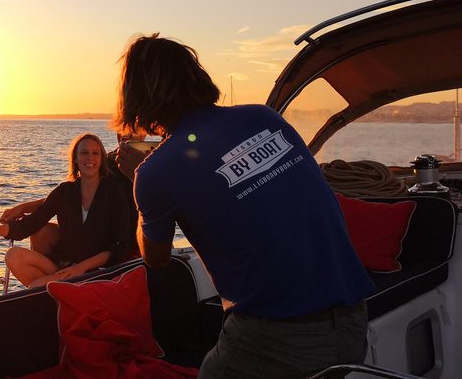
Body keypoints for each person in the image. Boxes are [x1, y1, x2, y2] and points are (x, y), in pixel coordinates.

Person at [112, 34, 376, 379]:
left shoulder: (155, 172)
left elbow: (155, 258)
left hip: (278, 337)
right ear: (197, 76)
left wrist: (137, 182)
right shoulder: (264, 118)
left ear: (138, 96)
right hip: (353, 320)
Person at [0, 133, 130, 288]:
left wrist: (80, 268)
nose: (90, 158)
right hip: (63, 265)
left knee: (36, 287)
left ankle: (58, 291)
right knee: (13, 255)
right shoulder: (65, 191)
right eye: (84, 153)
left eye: (95, 153)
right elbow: (28, 226)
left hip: (93, 270)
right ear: (76, 159)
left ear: (101, 159)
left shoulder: (114, 191)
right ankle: (62, 291)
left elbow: (117, 246)